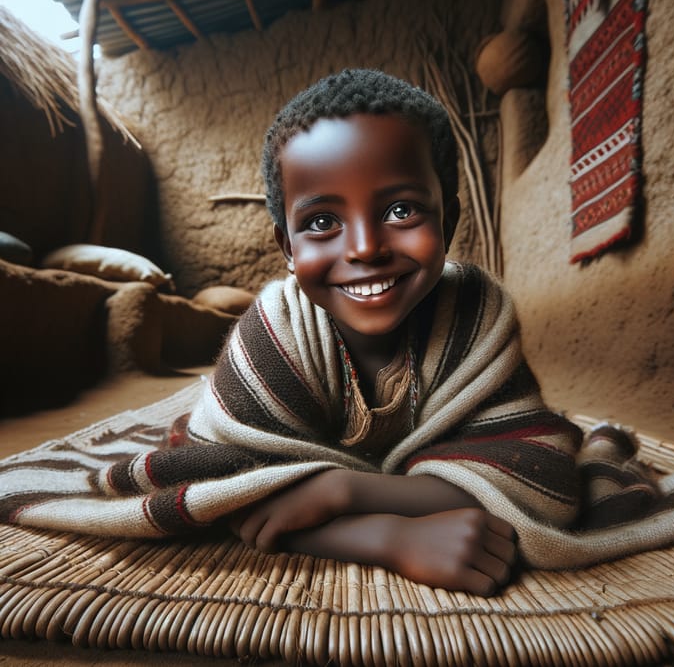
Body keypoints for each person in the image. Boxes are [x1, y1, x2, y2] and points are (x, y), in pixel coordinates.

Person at [191, 68, 580, 596]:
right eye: (323, 222)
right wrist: (386, 537)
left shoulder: (475, 313)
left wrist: (343, 492)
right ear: (287, 247)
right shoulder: (275, 333)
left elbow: (537, 480)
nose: (366, 248)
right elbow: (222, 491)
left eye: (401, 210)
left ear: (449, 220)